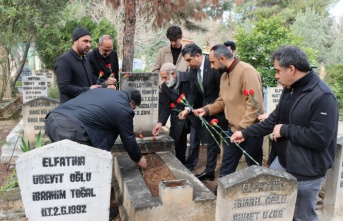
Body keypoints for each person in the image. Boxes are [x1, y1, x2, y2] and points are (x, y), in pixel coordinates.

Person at [230, 45, 338, 221]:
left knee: (302, 216)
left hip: (307, 171)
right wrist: (246, 133)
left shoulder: (323, 97)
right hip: (281, 163)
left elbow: (320, 138)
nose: (276, 76)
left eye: (278, 71)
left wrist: (285, 129)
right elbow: (274, 120)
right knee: (277, 211)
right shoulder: (290, 89)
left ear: (292, 69)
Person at [193, 44, 264, 178]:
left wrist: (242, 129)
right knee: (226, 169)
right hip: (233, 131)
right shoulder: (224, 76)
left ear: (223, 59)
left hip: (251, 131)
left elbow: (255, 105)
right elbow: (222, 101)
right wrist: (206, 110)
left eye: (213, 63)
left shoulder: (247, 71)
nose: (212, 67)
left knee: (255, 170)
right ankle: (220, 195)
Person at [45, 87, 147, 168]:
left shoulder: (102, 91)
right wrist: (137, 158)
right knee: (84, 169)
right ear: (131, 103)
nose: (132, 110)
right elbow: (128, 138)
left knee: (63, 168)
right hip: (71, 127)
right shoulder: (124, 107)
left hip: (52, 119)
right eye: (133, 108)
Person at [179, 43, 227, 180]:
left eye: (189, 60)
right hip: (207, 111)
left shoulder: (213, 67)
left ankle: (227, 173)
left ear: (198, 56)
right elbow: (194, 92)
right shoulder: (193, 70)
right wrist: (187, 108)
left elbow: (223, 91)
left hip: (222, 109)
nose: (188, 64)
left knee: (228, 142)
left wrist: (213, 107)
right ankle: (210, 171)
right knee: (211, 141)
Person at [152, 63, 200, 167]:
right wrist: (160, 123)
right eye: (162, 78)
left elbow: (196, 94)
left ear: (173, 74)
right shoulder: (165, 87)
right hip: (179, 114)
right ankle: (180, 162)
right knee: (178, 139)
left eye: (165, 77)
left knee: (194, 140)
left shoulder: (188, 77)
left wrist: (189, 109)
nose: (163, 81)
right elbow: (166, 106)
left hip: (195, 111)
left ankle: (190, 165)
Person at [55, 26, 115, 103]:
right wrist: (88, 90)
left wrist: (106, 86)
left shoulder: (85, 60)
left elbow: (90, 81)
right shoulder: (64, 60)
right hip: (70, 109)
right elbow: (64, 87)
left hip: (85, 107)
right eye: (85, 41)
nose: (88, 45)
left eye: (90, 42)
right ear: (75, 41)